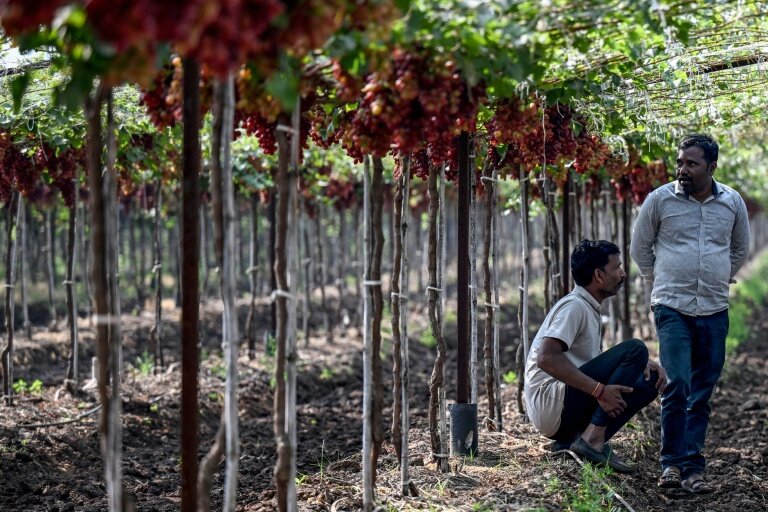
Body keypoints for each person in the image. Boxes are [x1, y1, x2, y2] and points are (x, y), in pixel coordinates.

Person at [630, 133, 750, 493]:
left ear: (711, 167)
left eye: (691, 163)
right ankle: (670, 464)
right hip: (672, 306)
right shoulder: (660, 200)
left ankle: (693, 466)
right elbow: (640, 246)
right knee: (677, 382)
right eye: (680, 162)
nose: (682, 169)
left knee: (702, 390)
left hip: (714, 307)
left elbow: (740, 248)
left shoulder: (732, 203)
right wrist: (659, 279)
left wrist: (720, 275)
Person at [524, 239, 666, 473]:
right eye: (617, 267)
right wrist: (599, 391)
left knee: (650, 380)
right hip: (550, 403)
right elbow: (546, 358)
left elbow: (587, 363)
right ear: (599, 275)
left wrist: (644, 363)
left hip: (562, 406)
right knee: (636, 348)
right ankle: (592, 440)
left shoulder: (589, 307)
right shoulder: (574, 307)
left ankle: (574, 441)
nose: (622, 274)